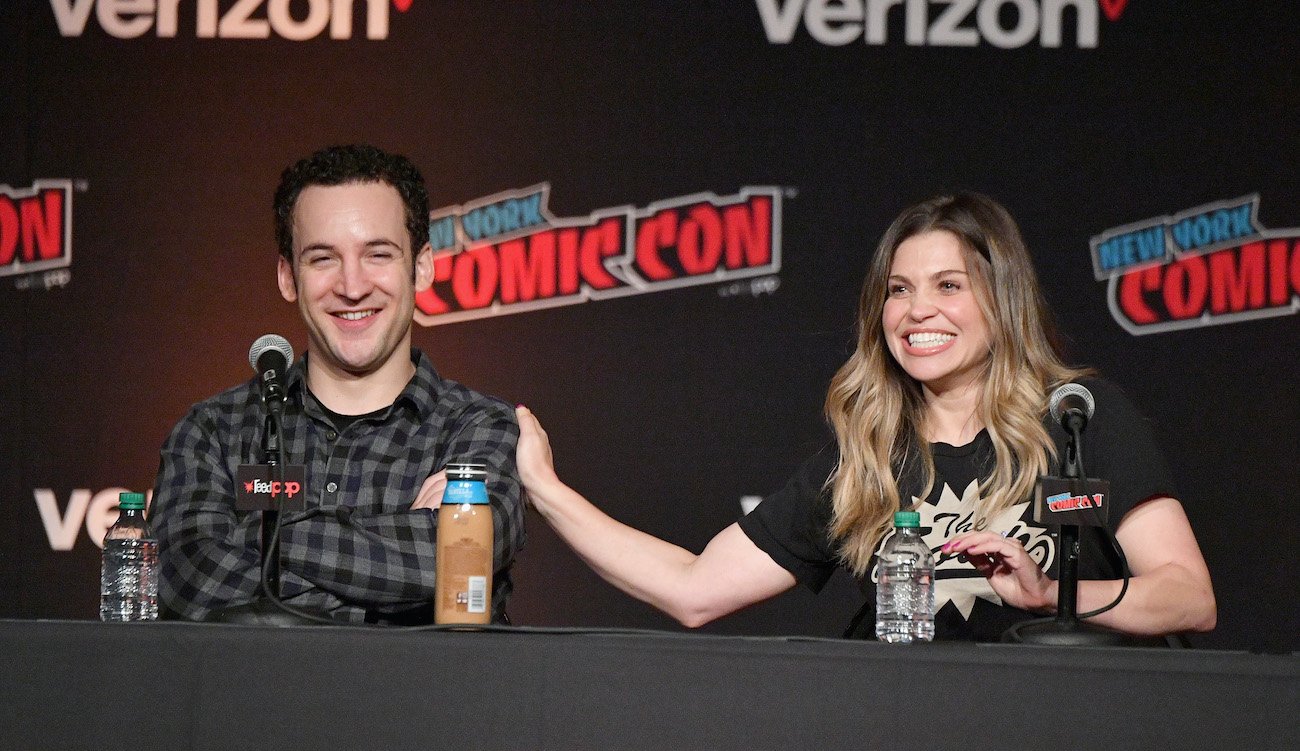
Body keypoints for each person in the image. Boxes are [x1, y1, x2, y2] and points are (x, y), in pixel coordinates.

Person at [515, 192, 1216, 641]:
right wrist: (546, 489)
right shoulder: (867, 458)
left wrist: (1047, 597)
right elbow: (694, 588)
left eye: (949, 286)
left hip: (1047, 747)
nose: (917, 311)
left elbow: (1187, 596)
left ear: (1004, 304)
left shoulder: (1081, 420)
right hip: (892, 748)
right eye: (899, 290)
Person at [152, 144, 525, 624]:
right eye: (323, 258)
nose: (352, 286)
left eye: (378, 254)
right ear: (288, 277)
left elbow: (455, 562)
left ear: (423, 267)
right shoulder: (213, 431)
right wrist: (395, 575)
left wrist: (262, 538)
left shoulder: (480, 430)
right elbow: (184, 576)